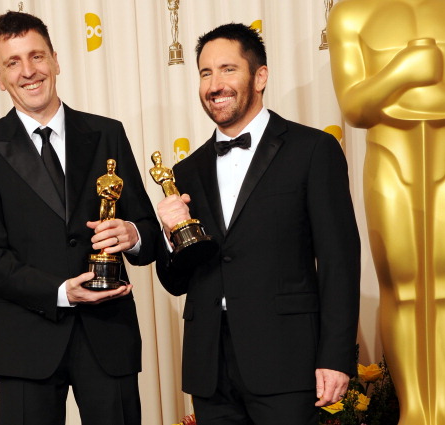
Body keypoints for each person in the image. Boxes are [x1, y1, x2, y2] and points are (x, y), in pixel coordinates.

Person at [154, 23, 360, 425]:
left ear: (260, 76)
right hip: (209, 367)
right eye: (205, 73)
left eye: (228, 69)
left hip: (287, 361)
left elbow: (339, 260)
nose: (215, 84)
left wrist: (335, 358)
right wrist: (170, 238)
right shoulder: (186, 170)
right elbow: (176, 281)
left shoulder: (313, 150)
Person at [0, 11, 159, 425]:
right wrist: (60, 291)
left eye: (36, 56)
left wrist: (133, 233)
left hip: (109, 333)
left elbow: (149, 237)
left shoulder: (108, 133)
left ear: (55, 60)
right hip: (27, 340)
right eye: (13, 62)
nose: (28, 71)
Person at [327, 1, 445, 423]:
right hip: (390, 158)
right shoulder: (351, 14)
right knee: (403, 285)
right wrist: (403, 71)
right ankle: (415, 406)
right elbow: (355, 106)